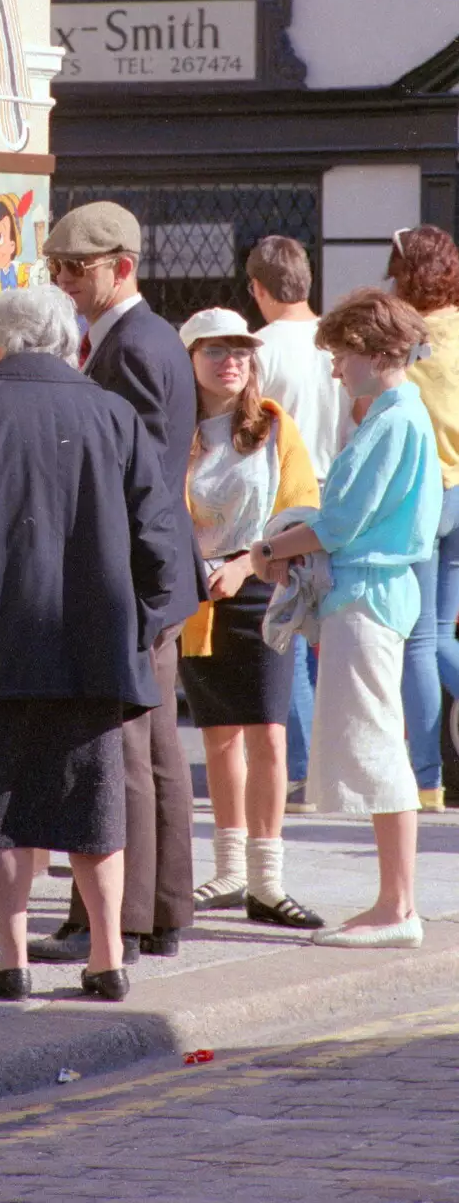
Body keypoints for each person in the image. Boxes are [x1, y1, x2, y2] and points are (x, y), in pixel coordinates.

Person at [0, 285, 176, 1002]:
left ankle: (12, 958)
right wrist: (139, 620)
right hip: (88, 643)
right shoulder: (110, 412)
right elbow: (158, 534)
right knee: (91, 808)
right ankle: (107, 956)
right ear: (61, 339)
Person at [30, 200, 203, 967]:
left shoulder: (131, 345)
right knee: (157, 750)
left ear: (121, 267)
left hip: (134, 575)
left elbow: (130, 479)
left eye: (76, 269)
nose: (63, 282)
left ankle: (117, 922)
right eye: (55, 269)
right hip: (154, 575)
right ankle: (162, 912)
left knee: (119, 752)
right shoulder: (142, 338)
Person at [252, 288, 442, 948]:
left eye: (339, 356)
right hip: (371, 591)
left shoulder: (392, 418)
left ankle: (397, 908)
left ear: (367, 350)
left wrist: (266, 551)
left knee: (377, 746)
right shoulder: (396, 411)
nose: (334, 369)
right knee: (377, 743)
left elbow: (338, 523)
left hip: (365, 593)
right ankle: (394, 903)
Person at [178, 308, 323, 931]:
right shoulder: (174, 430)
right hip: (197, 596)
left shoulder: (270, 425)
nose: (230, 360)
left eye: (240, 350)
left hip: (261, 589)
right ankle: (231, 869)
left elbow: (301, 506)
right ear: (190, 360)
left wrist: (246, 562)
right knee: (218, 736)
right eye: (215, 350)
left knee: (268, 732)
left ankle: (267, 880)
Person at [247, 236, 348, 815]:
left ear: (259, 290)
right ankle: (319, 763)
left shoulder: (262, 348)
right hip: (330, 491)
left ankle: (304, 767)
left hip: (282, 497)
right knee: (316, 636)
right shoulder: (333, 345)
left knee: (282, 626)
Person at [386, 225, 459, 811]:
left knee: (421, 638)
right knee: (442, 632)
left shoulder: (405, 337)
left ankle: (426, 778)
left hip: (428, 490)